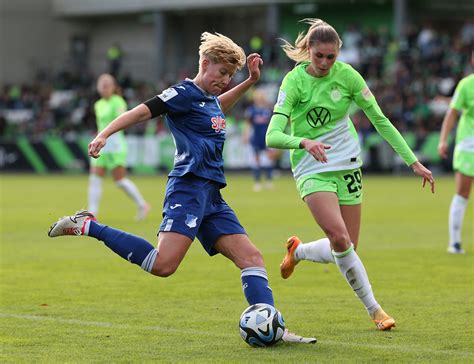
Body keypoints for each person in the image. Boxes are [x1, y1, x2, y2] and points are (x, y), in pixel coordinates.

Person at [48, 32, 316, 344]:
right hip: (188, 189)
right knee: (163, 265)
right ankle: (89, 226)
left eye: (230, 75)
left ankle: (273, 328)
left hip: (212, 195)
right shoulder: (182, 94)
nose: (225, 80)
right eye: (222, 73)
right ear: (205, 63)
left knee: (252, 258)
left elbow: (217, 107)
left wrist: (250, 81)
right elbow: (142, 111)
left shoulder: (208, 100)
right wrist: (104, 133)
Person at [266, 19, 435, 331]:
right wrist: (303, 141)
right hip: (311, 165)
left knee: (345, 248)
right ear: (309, 51)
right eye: (319, 56)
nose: (325, 63)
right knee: (341, 239)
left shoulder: (348, 77)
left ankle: (298, 251)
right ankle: (375, 310)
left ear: (338, 53)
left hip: (348, 164)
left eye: (331, 57)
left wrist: (413, 161)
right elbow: (272, 135)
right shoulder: (293, 82)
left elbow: (380, 120)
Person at [89, 73, 150, 220]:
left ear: (113, 87)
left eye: (107, 86)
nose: (104, 89)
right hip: (101, 144)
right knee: (95, 179)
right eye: (101, 86)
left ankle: (142, 204)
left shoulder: (118, 102)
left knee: (120, 181)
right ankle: (92, 214)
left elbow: (122, 122)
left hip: (115, 144)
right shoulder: (98, 104)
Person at [438, 56, 473, 254]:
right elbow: (452, 113)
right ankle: (455, 242)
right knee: (463, 193)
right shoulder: (466, 85)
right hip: (469, 146)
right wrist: (443, 140)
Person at [243, 88, 274, 191]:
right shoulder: (251, 110)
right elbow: (248, 124)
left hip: (266, 138)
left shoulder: (269, 110)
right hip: (256, 138)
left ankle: (269, 181)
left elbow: (273, 124)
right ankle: (257, 182)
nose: (260, 99)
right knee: (256, 160)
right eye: (258, 97)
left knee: (268, 160)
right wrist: (246, 135)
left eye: (261, 97)